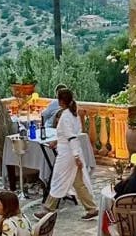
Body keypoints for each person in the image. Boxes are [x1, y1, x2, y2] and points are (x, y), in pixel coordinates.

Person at [36, 89, 98, 219]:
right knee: (78, 182)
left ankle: (48, 208)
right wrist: (57, 141)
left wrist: (75, 156)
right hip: (72, 151)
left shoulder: (65, 116)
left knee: (58, 180)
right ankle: (91, 208)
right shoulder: (73, 114)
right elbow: (71, 135)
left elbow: (71, 137)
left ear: (61, 101)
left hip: (67, 155)